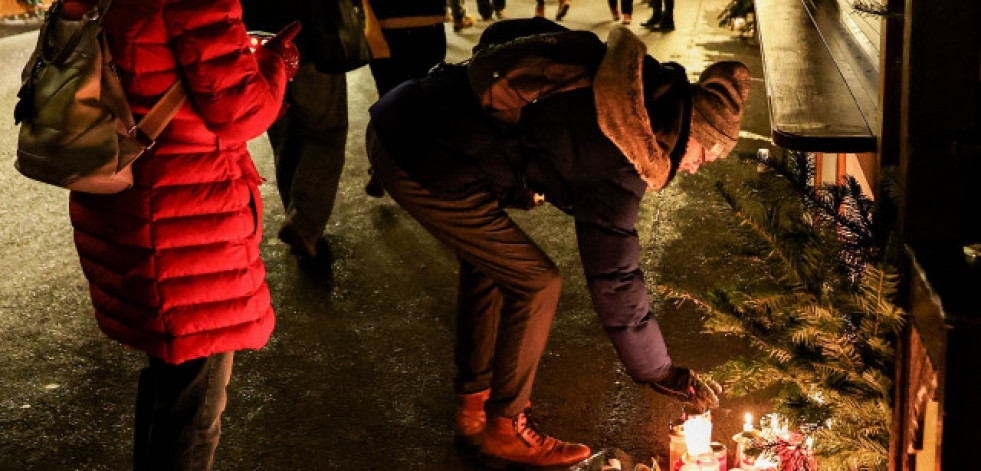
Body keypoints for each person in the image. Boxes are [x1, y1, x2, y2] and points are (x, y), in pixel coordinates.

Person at [366, 18, 748, 469]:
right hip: (424, 157)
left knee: (492, 265)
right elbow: (616, 277)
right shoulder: (623, 149)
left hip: (411, 117)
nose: (695, 168)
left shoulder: (619, 78)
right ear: (688, 132)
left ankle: (474, 410)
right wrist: (661, 371)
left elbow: (501, 37)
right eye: (704, 155)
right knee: (536, 282)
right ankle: (506, 428)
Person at [62, 0, 295, 468]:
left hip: (128, 194)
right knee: (195, 404)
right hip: (186, 216)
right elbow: (242, 112)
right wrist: (276, 64)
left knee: (171, 381)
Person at [242, 0, 355, 271]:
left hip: (258, 47)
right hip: (310, 45)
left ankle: (299, 220)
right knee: (325, 134)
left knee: (284, 138)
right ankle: (303, 224)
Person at [362, 0, 448, 197]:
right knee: (422, 102)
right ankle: (417, 169)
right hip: (428, 26)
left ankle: (384, 167)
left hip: (386, 28)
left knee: (390, 103)